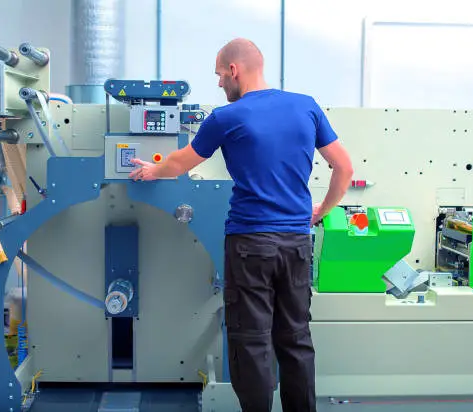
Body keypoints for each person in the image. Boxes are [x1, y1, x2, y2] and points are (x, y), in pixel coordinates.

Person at [130, 38, 353, 412]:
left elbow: (180, 163)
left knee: (251, 340)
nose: (219, 84)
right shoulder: (306, 106)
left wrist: (152, 170)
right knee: (295, 338)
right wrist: (322, 210)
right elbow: (344, 167)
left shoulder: (226, 117)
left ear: (234, 69)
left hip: (250, 244)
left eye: (219, 75)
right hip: (297, 242)